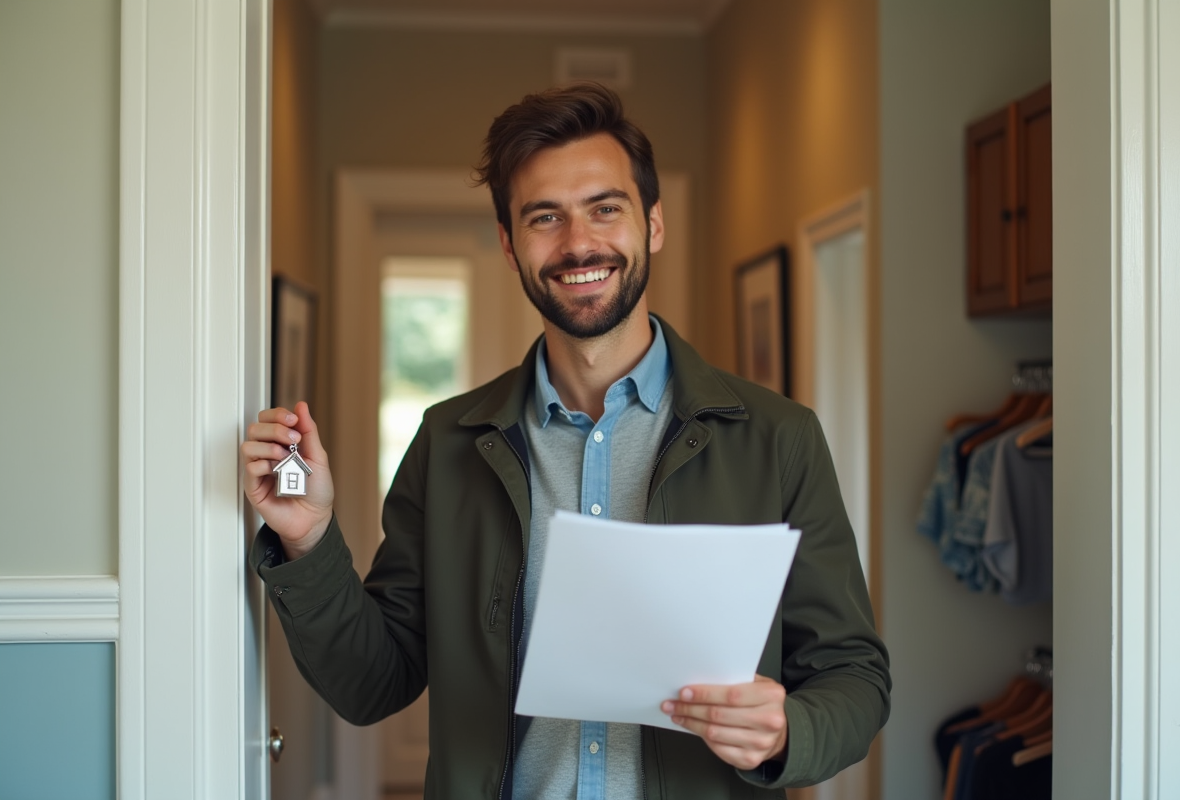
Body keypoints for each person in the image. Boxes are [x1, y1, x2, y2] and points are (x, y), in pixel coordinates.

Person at [241, 83, 889, 800]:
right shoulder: (447, 445)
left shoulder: (779, 439)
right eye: (545, 217)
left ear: (653, 223)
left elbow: (854, 678)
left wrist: (789, 731)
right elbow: (373, 684)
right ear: (509, 244)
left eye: (605, 209)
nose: (579, 243)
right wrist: (308, 539)